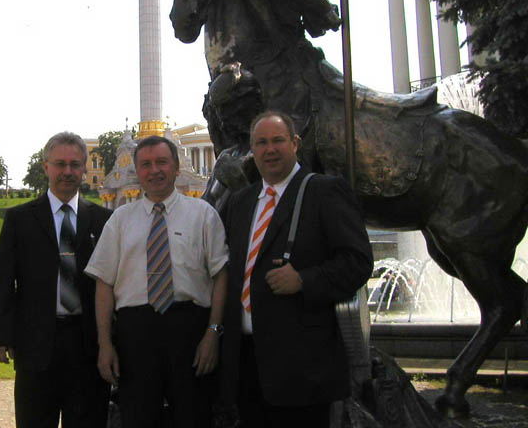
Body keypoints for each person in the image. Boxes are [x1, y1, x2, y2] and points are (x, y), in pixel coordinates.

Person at [219, 111, 373, 427]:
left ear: (295, 143)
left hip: (302, 367)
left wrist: (304, 280)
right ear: (252, 150)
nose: (269, 150)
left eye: (278, 140)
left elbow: (358, 261)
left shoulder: (324, 192)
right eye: (261, 143)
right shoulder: (241, 202)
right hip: (247, 365)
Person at [85, 135, 228, 428]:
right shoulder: (120, 220)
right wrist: (105, 343)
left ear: (176, 167)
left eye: (162, 162)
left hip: (189, 330)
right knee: (139, 416)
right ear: (136, 170)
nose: (154, 171)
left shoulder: (203, 214)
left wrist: (213, 333)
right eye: (146, 164)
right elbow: (104, 283)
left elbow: (220, 275)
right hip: (135, 332)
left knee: (192, 415)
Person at [0, 132, 111, 428]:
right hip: (36, 345)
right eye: (60, 164)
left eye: (75, 164)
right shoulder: (20, 219)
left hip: (87, 346)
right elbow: (4, 280)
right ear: (46, 167)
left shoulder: (103, 221)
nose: (67, 171)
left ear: (84, 169)